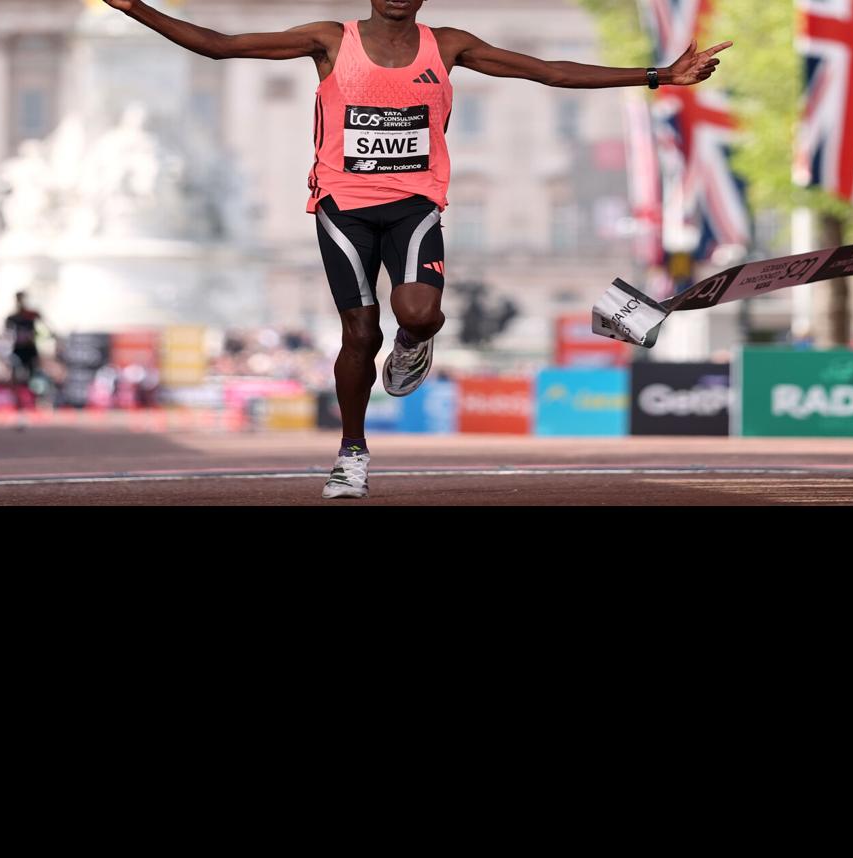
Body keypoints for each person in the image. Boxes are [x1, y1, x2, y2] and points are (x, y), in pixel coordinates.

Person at [103, 0, 729, 498]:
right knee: (357, 334)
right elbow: (223, 45)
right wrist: (137, 9)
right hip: (342, 208)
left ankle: (414, 346)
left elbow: (546, 70)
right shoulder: (330, 39)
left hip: (415, 205)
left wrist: (657, 76)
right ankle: (352, 453)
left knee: (420, 313)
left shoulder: (447, 45)